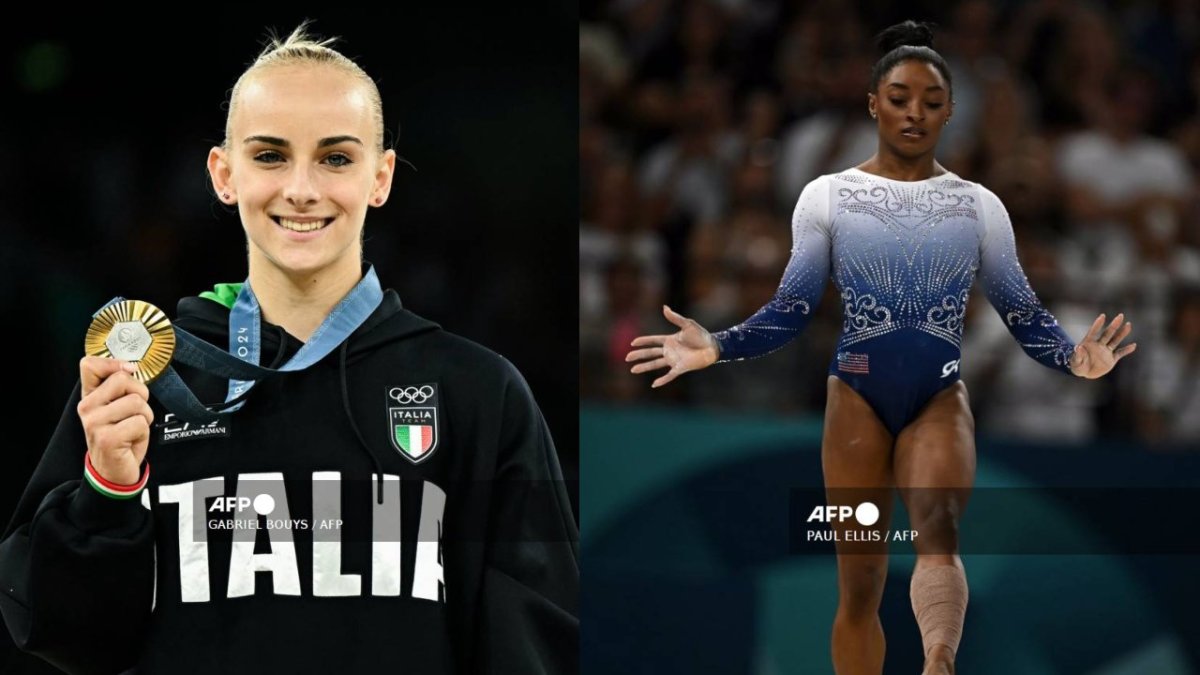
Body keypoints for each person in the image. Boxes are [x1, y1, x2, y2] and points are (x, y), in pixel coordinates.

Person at [0, 23, 578, 675]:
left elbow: (534, 649)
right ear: (224, 173)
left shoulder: (475, 393)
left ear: (381, 176)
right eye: (270, 155)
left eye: (336, 157)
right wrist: (108, 487)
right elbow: (66, 633)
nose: (302, 188)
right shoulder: (148, 378)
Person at [625, 20, 1135, 675]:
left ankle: (940, 662)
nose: (914, 113)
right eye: (899, 98)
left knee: (938, 530)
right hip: (857, 395)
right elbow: (792, 309)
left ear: (950, 111)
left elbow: (1021, 308)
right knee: (859, 586)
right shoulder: (828, 197)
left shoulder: (979, 206)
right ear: (874, 103)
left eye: (930, 100)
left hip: (938, 393)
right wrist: (717, 346)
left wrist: (1071, 355)